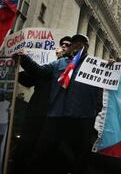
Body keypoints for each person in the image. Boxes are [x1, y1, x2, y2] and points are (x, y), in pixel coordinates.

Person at [13, 34, 103, 174]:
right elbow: (40, 72)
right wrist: (24, 59)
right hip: (56, 117)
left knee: (77, 159)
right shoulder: (59, 64)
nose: (78, 45)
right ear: (72, 46)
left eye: (82, 43)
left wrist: (93, 112)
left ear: (86, 47)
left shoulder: (95, 66)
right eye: (75, 42)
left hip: (81, 119)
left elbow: (100, 94)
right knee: (43, 153)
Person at [11, 36, 72, 174]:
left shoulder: (69, 68)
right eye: (61, 44)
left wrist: (25, 59)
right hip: (35, 113)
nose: (63, 46)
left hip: (53, 118)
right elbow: (29, 79)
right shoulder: (49, 65)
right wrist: (16, 65)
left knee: (42, 153)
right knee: (25, 147)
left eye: (67, 45)